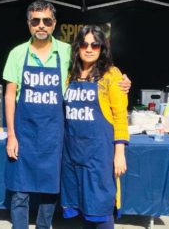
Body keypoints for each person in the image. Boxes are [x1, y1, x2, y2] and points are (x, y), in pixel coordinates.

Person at [3, 0, 130, 229]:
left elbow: (104, 83)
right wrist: (11, 134)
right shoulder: (17, 54)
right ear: (29, 23)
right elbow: (10, 96)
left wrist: (122, 81)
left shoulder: (66, 52)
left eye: (47, 20)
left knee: (52, 191)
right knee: (20, 192)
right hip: (26, 134)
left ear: (54, 24)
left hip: (56, 138)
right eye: (35, 20)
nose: (41, 25)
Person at [61, 25, 129, 229]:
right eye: (84, 44)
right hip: (72, 152)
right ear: (77, 47)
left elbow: (120, 117)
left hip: (100, 155)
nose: (89, 49)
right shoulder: (68, 75)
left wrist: (119, 153)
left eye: (95, 44)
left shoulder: (112, 75)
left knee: (100, 205)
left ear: (102, 48)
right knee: (82, 204)